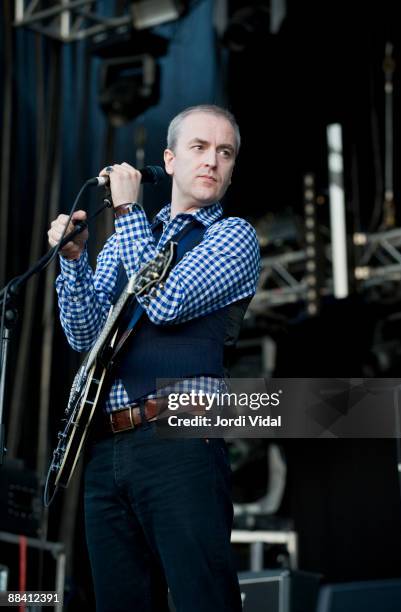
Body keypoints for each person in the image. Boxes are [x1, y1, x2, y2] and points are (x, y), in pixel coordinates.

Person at [48, 104, 260, 612]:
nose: (212, 161)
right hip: (108, 449)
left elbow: (164, 302)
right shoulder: (133, 234)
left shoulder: (232, 236)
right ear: (168, 160)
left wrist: (126, 213)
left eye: (224, 152)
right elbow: (83, 336)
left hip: (183, 438)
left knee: (200, 598)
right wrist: (75, 264)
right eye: (199, 147)